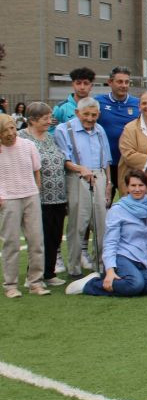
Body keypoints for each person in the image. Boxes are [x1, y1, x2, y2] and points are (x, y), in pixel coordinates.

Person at [65, 171, 147, 297]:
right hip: (122, 256)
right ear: (127, 187)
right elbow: (110, 241)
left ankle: (127, 281)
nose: (137, 189)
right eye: (133, 185)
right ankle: (91, 284)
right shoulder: (118, 209)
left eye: (141, 185)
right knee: (135, 285)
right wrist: (110, 269)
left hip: (142, 259)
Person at [54, 97, 111, 278]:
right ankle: (74, 267)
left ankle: (100, 265)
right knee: (78, 223)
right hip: (77, 177)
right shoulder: (63, 129)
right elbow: (65, 160)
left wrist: (108, 183)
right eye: (86, 114)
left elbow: (106, 160)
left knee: (101, 224)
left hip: (99, 176)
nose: (90, 118)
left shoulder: (100, 130)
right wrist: (81, 169)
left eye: (94, 115)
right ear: (77, 113)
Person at [0, 114, 49, 298]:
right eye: (5, 130)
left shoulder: (28, 145)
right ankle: (10, 285)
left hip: (31, 197)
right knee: (11, 243)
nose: (11, 133)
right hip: (8, 200)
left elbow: (37, 170)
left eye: (12, 128)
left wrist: (36, 190)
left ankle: (35, 283)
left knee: (36, 242)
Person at [19, 102, 67, 286]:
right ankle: (33, 275)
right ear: (32, 120)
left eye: (50, 117)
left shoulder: (51, 137)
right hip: (36, 197)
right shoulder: (21, 138)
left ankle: (49, 272)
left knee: (54, 236)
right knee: (38, 238)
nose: (49, 121)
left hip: (58, 196)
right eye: (45, 118)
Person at [96, 66, 141, 199]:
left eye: (127, 82)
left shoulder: (137, 103)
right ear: (110, 82)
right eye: (120, 82)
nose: (124, 85)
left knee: (129, 201)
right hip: (105, 164)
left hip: (128, 163)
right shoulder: (98, 102)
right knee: (104, 202)